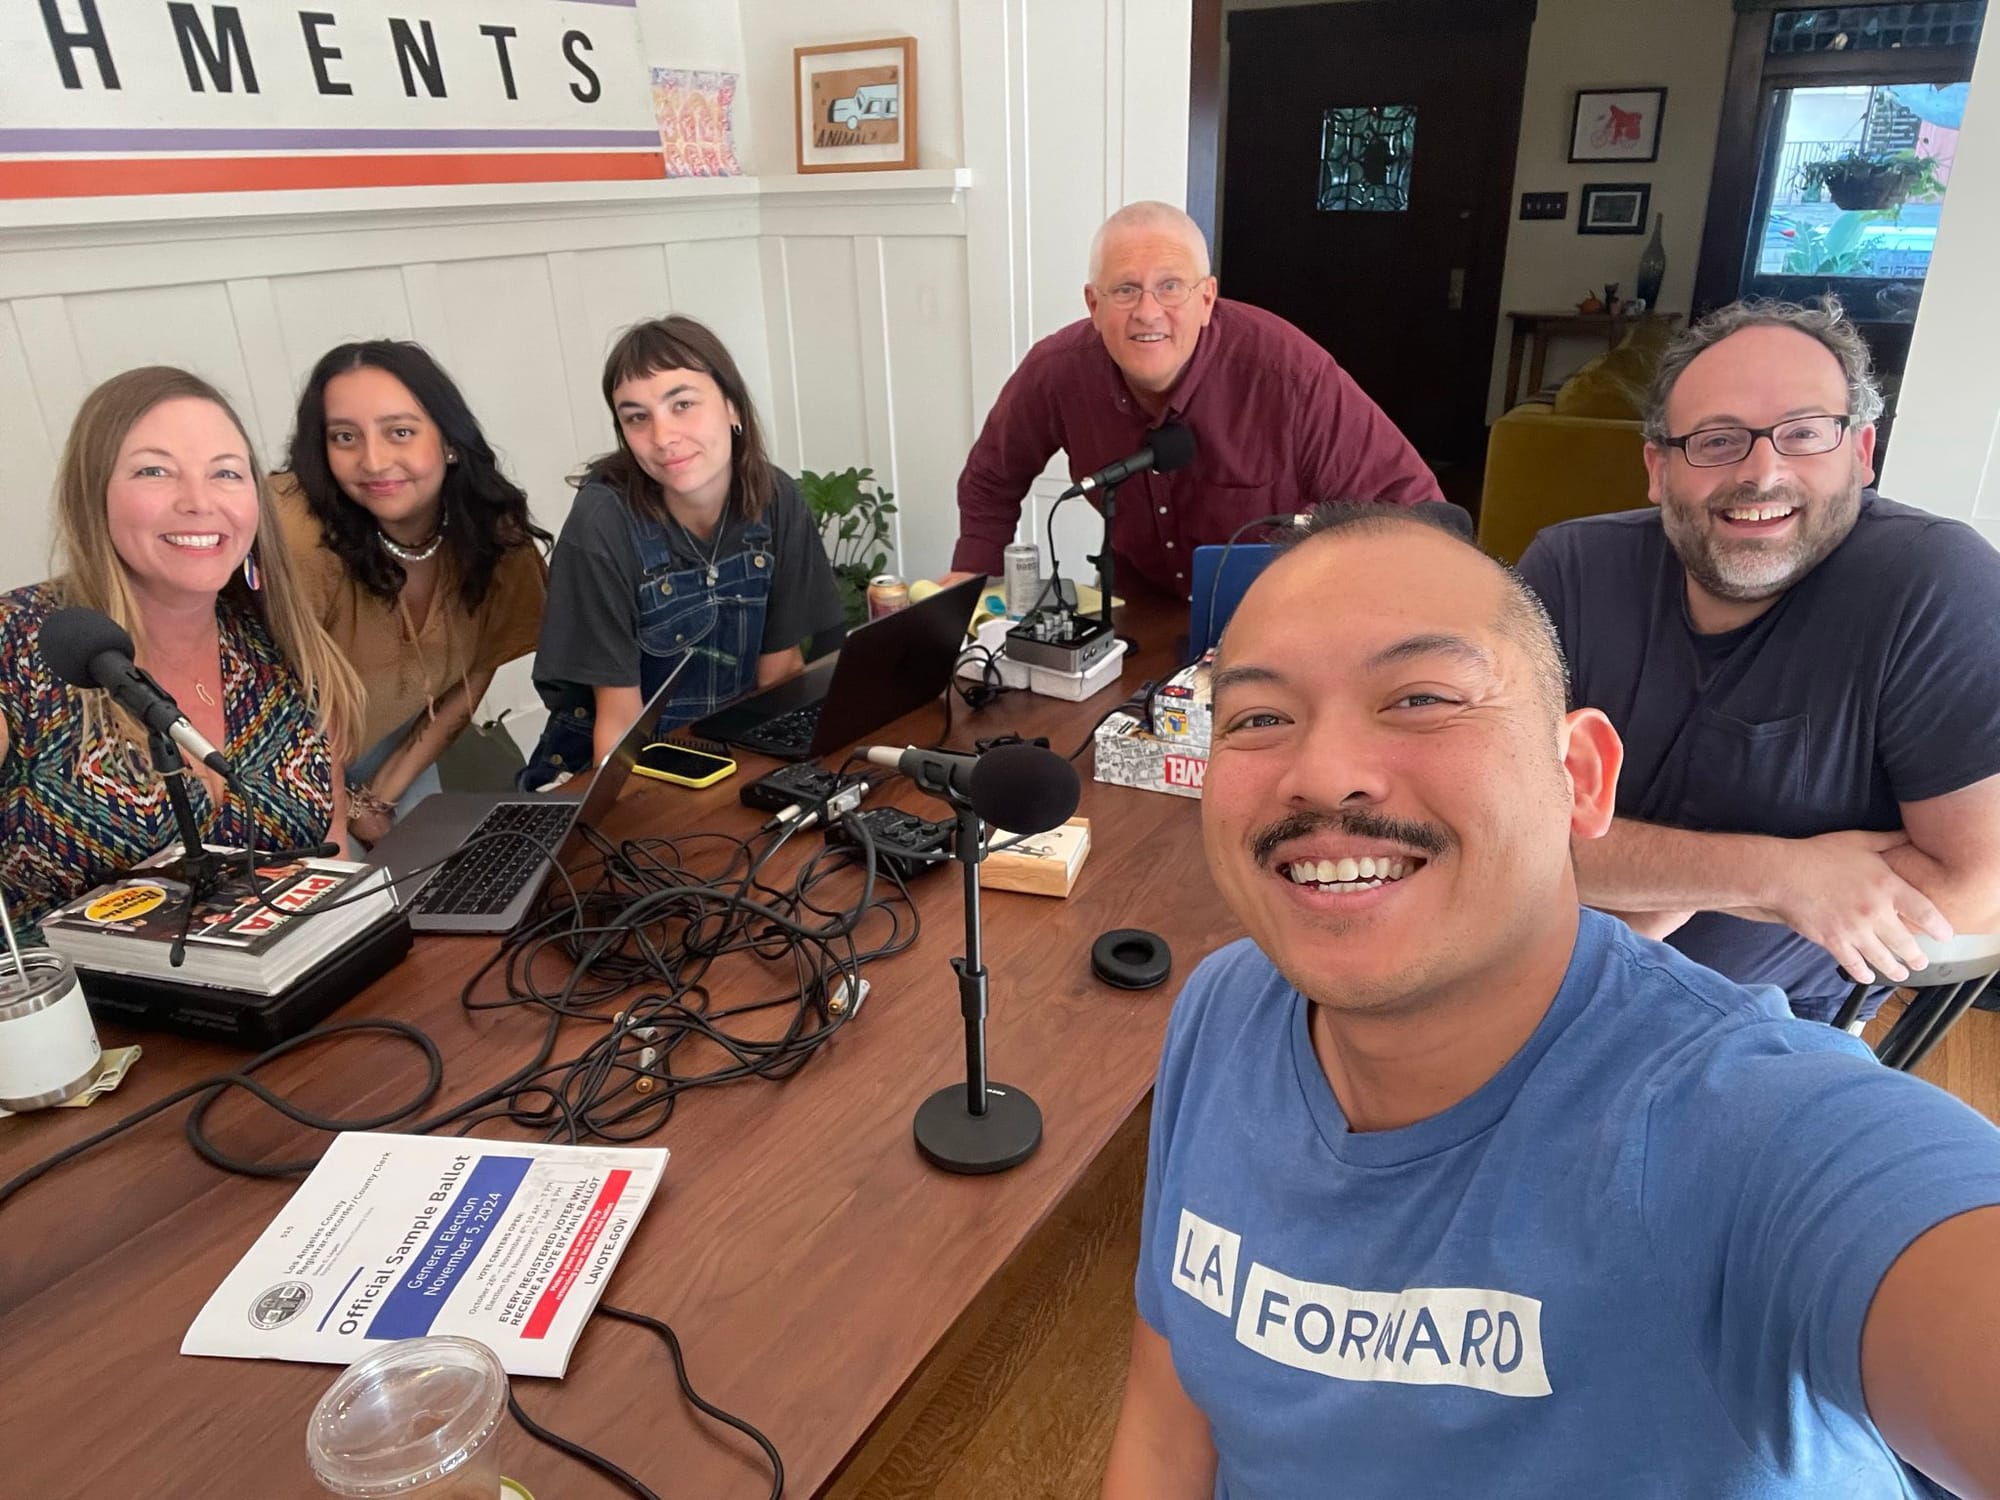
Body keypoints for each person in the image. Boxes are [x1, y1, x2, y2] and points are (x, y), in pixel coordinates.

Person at [1103, 503, 2000, 1498]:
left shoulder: (1749, 1131)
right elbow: (1168, 1421)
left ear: (1579, 777)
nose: (1321, 775)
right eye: (1259, 719)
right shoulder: (1224, 1009)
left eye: (1419, 698)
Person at [1518, 298, 2000, 1022]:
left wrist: (1624, 872)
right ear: (1658, 468)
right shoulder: (1570, 568)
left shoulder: (1932, 583)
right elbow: (1499, 831)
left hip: (1761, 1021)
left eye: (1804, 434)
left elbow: (1977, 885)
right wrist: (1783, 875)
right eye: (1717, 440)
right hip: (1533, 968)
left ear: (1861, 453)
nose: (1762, 472)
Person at [0, 367, 364, 933]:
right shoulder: (16, 646)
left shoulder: (285, 649)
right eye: (155, 471)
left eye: (226, 472)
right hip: (66, 989)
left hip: (283, 980)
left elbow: (330, 861)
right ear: (93, 494)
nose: (199, 501)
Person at [947, 201, 1438, 598]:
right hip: (1137, 610)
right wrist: (971, 591)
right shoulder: (1056, 372)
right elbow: (991, 479)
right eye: (1125, 290)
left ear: (1207, 299)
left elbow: (1414, 508)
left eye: (1170, 287)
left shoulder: (1289, 375)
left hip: (1271, 610)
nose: (1148, 312)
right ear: (1093, 304)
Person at [523, 315, 843, 787]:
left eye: (683, 404)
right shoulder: (602, 523)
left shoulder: (777, 500)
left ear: (733, 407)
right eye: (637, 417)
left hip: (727, 754)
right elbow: (618, 732)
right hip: (608, 771)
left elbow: (779, 677)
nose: (663, 437)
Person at [275, 340, 550, 848]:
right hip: (281, 767)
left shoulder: (495, 535)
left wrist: (379, 799)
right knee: (357, 895)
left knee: (436, 879)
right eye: (344, 437)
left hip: (392, 743)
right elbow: (268, 715)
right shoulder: (298, 539)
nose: (374, 461)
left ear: (450, 442)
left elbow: (477, 669)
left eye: (400, 432)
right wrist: (347, 809)